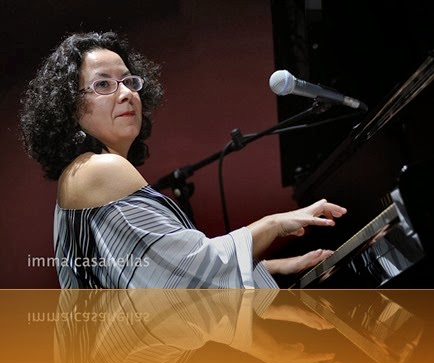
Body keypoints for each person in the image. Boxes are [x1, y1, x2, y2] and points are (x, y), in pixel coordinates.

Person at [19, 31, 347, 289]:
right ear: (68, 107)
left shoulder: (84, 172)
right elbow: (190, 275)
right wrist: (275, 224)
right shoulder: (100, 170)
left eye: (129, 81)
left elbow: (158, 267)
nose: (125, 93)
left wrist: (275, 266)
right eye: (103, 84)